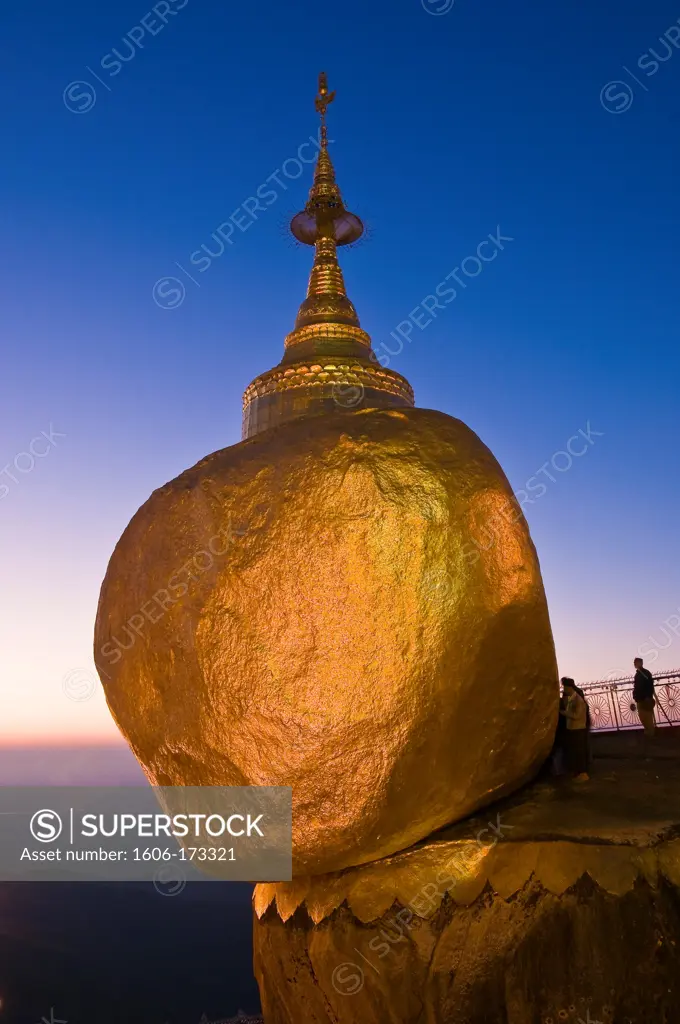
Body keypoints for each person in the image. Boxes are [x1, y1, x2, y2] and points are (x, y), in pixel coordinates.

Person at [559, 678, 589, 781]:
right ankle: (578, 773)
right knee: (575, 752)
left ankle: (583, 774)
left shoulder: (578, 700)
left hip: (578, 729)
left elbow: (577, 715)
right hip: (573, 728)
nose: (563, 689)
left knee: (579, 752)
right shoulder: (571, 698)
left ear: (569, 687)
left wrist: (564, 713)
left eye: (564, 687)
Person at [632, 657, 656, 739]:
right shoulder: (639, 674)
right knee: (643, 717)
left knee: (647, 718)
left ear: (641, 663)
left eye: (636, 662)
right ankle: (648, 733)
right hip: (640, 699)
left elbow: (650, 685)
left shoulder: (644, 673)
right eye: (634, 662)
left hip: (645, 699)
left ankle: (650, 734)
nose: (634, 664)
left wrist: (648, 696)